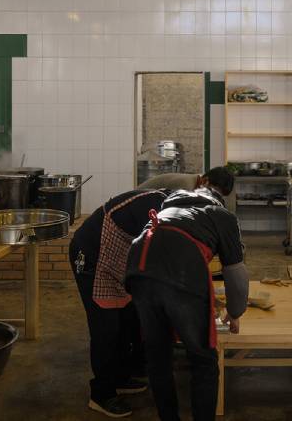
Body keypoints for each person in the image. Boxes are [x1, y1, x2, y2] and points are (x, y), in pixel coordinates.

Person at [69, 168, 236, 419]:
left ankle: (122, 376)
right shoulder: (172, 206)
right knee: (106, 326)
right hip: (96, 248)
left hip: (128, 251)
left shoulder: (186, 205)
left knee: (129, 318)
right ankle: (101, 393)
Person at [125, 183, 247, 421]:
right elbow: (236, 272)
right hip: (179, 271)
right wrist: (235, 311)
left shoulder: (166, 209)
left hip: (138, 269)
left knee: (158, 356)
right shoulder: (222, 215)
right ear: (216, 200)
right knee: (203, 360)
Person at [138, 169, 231, 196]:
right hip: (133, 206)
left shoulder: (199, 181)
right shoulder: (186, 186)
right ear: (205, 181)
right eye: (213, 193)